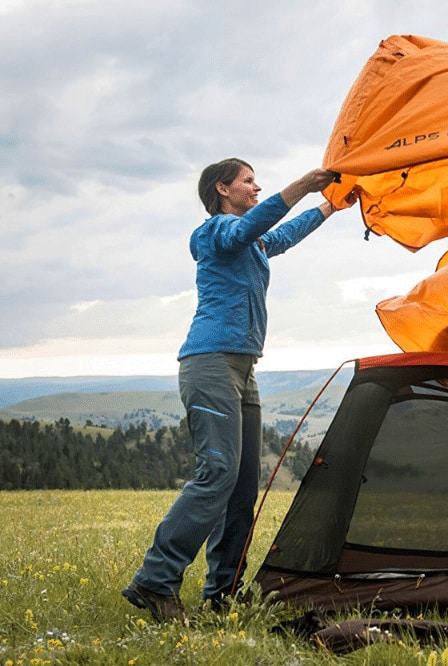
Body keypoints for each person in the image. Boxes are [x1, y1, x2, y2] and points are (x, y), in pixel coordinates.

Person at [122, 158, 352, 621]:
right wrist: (303, 186)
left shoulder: (251, 242)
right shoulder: (213, 233)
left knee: (243, 487)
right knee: (218, 472)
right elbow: (245, 230)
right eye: (248, 180)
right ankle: (155, 580)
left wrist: (328, 207)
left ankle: (222, 590)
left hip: (244, 370)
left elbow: (277, 238)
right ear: (222, 189)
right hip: (210, 365)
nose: (256, 185)